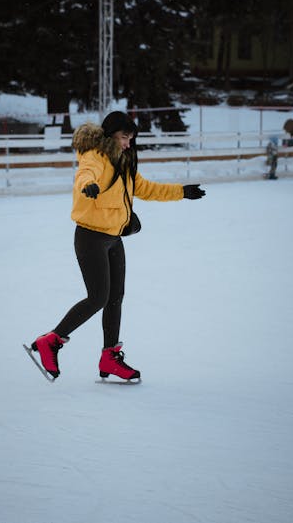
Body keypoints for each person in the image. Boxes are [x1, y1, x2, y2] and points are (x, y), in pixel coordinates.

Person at [27, 111, 206, 382]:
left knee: (115, 298)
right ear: (111, 135)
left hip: (114, 238)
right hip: (90, 237)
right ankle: (51, 341)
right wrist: (88, 186)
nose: (128, 144)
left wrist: (181, 191)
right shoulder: (95, 156)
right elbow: (85, 174)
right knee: (98, 297)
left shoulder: (123, 162)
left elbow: (145, 188)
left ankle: (109, 356)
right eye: (124, 138)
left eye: (131, 139)